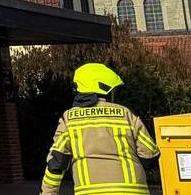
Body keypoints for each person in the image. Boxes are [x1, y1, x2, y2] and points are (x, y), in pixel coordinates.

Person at [41, 63, 159, 195]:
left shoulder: (69, 119)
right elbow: (150, 156)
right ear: (105, 89)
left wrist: (48, 193)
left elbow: (56, 162)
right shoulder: (126, 114)